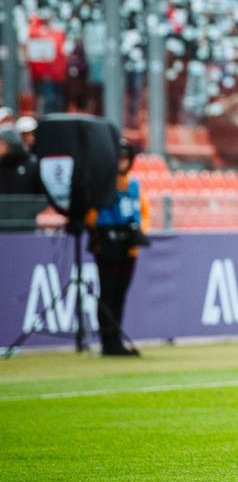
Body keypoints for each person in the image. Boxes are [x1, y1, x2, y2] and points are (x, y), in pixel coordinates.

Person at [85, 140, 149, 356]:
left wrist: (138, 235)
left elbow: (143, 213)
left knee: (120, 293)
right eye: (119, 159)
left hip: (128, 246)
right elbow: (91, 214)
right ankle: (107, 340)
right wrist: (99, 233)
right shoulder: (103, 185)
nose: (122, 163)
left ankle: (116, 338)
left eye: (126, 159)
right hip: (107, 244)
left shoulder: (134, 185)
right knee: (108, 293)